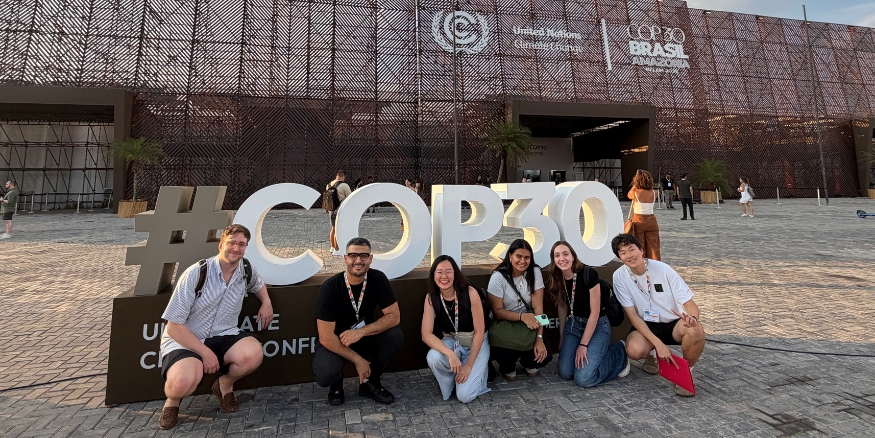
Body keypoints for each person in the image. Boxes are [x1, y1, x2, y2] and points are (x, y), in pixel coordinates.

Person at [157, 224, 274, 430]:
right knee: (181, 383)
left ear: (245, 247)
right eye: (231, 243)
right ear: (221, 244)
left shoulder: (245, 269)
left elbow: (258, 284)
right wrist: (205, 353)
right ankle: (172, 402)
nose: (236, 249)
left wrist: (266, 302)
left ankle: (224, 385)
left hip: (223, 334)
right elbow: (174, 326)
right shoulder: (197, 273)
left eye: (241, 244)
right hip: (187, 338)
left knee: (253, 354)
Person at [610, 234, 706, 397]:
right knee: (634, 350)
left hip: (673, 323)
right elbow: (632, 315)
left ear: (641, 250)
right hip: (645, 324)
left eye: (632, 249)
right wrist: (658, 344)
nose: (629, 255)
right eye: (623, 252)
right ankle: (653, 354)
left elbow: (691, 305)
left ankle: (685, 372)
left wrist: (693, 319)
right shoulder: (619, 276)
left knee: (696, 330)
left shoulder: (663, 269)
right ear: (620, 257)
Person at [312, 237, 403, 406]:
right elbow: (325, 337)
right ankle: (336, 385)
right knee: (326, 373)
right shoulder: (330, 288)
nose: (358, 260)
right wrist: (358, 360)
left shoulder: (378, 279)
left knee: (395, 336)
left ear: (370, 258)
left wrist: (360, 332)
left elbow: (394, 316)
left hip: (362, 336)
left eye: (364, 256)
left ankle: (370, 383)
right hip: (337, 340)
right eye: (353, 255)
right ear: (345, 258)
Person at [546, 241, 629, 387]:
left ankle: (619, 353)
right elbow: (562, 307)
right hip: (574, 325)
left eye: (566, 254)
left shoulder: (588, 274)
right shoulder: (557, 276)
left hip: (597, 324)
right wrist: (561, 338)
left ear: (573, 256)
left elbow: (595, 312)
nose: (562, 259)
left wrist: (583, 345)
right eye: (557, 255)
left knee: (584, 378)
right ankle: (588, 354)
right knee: (566, 373)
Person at [421, 255, 490, 403]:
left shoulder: (470, 293)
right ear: (433, 275)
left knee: (465, 397)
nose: (444, 276)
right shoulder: (431, 298)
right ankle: (452, 381)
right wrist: (450, 355)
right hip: (452, 341)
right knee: (433, 357)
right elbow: (426, 334)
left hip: (475, 342)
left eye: (448, 271)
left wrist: (469, 365)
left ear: (455, 274)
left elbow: (479, 332)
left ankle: (477, 373)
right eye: (439, 272)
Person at [487, 239, 552, 380]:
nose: (523, 261)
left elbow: (539, 309)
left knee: (540, 360)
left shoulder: (535, 272)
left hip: (531, 322)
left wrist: (540, 339)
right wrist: (522, 317)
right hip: (506, 322)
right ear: (510, 256)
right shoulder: (498, 277)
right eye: (518, 256)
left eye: (527, 257)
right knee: (509, 372)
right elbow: (497, 311)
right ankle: (507, 365)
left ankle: (528, 361)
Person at [627, 170, 661, 260]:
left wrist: (636, 184)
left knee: (639, 244)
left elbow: (629, 194)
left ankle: (641, 262)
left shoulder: (636, 193)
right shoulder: (655, 193)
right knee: (654, 245)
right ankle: (656, 262)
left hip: (639, 219)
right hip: (651, 219)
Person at [326, 171, 352, 253]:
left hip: (331, 210)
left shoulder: (328, 185)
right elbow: (350, 197)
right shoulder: (344, 185)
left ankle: (332, 247)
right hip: (340, 210)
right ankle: (337, 248)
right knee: (339, 229)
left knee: (333, 229)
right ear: (343, 177)